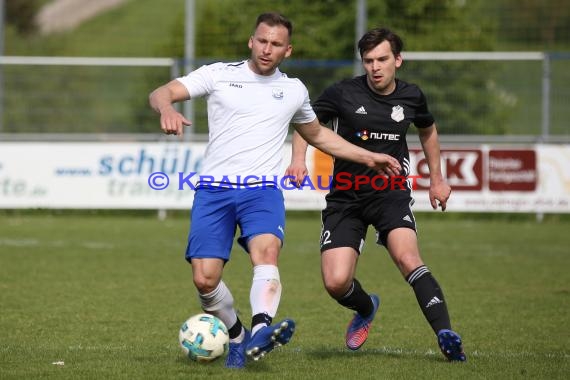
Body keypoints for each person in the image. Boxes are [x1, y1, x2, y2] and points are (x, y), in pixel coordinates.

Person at [149, 13, 401, 369]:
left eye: (276, 44)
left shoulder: (294, 90)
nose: (267, 49)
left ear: (287, 50)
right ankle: (238, 337)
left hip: (262, 190)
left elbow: (318, 135)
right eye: (262, 41)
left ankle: (262, 328)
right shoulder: (219, 74)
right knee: (205, 279)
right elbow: (162, 92)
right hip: (214, 191)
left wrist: (368, 156)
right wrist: (166, 107)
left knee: (266, 251)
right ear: (251, 41)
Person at [287, 27, 466, 362]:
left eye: (382, 59)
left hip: (390, 194)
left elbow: (427, 130)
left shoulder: (412, 96)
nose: (375, 66)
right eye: (368, 60)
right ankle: (367, 307)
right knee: (336, 282)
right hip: (346, 198)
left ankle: (446, 336)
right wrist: (298, 159)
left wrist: (437, 180)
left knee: (408, 258)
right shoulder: (343, 93)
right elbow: (306, 122)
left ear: (397, 60)